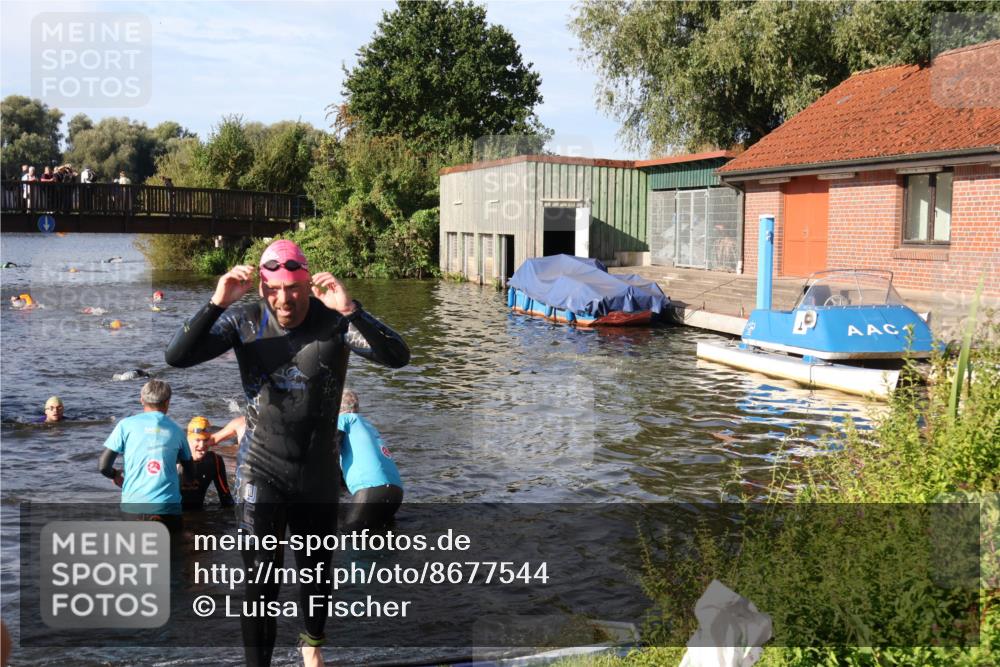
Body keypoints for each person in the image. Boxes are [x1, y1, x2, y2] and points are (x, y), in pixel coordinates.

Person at [164, 239, 410, 667]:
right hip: (261, 469)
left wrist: (353, 310)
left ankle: (311, 648)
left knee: (316, 576)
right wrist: (216, 303)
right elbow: (176, 356)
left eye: (293, 289)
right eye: (274, 290)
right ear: (261, 287)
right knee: (261, 584)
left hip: (316, 472)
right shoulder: (245, 319)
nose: (284, 300)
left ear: (307, 284)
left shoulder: (334, 319)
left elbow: (398, 357)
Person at [98, 379, 193, 531]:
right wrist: (180, 484)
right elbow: (189, 470)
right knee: (172, 552)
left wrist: (115, 475)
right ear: (168, 402)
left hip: (133, 507)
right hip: (167, 508)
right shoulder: (177, 430)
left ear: (141, 400)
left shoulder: (125, 425)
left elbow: (103, 466)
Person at [338, 390, 403, 532]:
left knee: (350, 537)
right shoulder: (368, 426)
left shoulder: (343, 420)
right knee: (382, 538)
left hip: (371, 490)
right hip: (396, 492)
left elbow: (330, 451)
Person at [178, 416, 234, 511]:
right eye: (198, 440)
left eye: (206, 440)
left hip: (199, 512)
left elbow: (226, 498)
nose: (202, 445)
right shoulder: (174, 460)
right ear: (188, 440)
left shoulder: (215, 461)